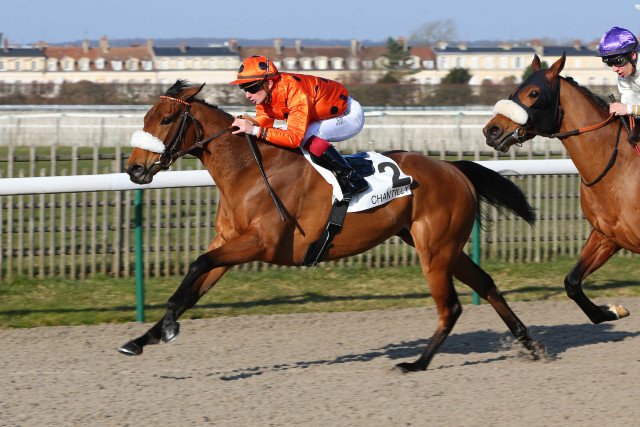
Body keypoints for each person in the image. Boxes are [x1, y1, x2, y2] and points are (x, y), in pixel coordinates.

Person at [230, 55, 368, 201]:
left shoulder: (295, 91)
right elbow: (262, 130)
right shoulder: (264, 99)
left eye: (251, 88)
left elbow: (293, 138)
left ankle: (352, 178)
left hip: (348, 114)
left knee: (305, 137)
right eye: (243, 88)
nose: (247, 95)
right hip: (326, 115)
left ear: (269, 84)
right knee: (280, 136)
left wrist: (254, 130)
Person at [598, 26, 640, 142]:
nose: (614, 69)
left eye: (618, 61)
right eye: (610, 64)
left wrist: (628, 109)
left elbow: (629, 108)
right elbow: (630, 99)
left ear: (633, 55)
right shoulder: (625, 73)